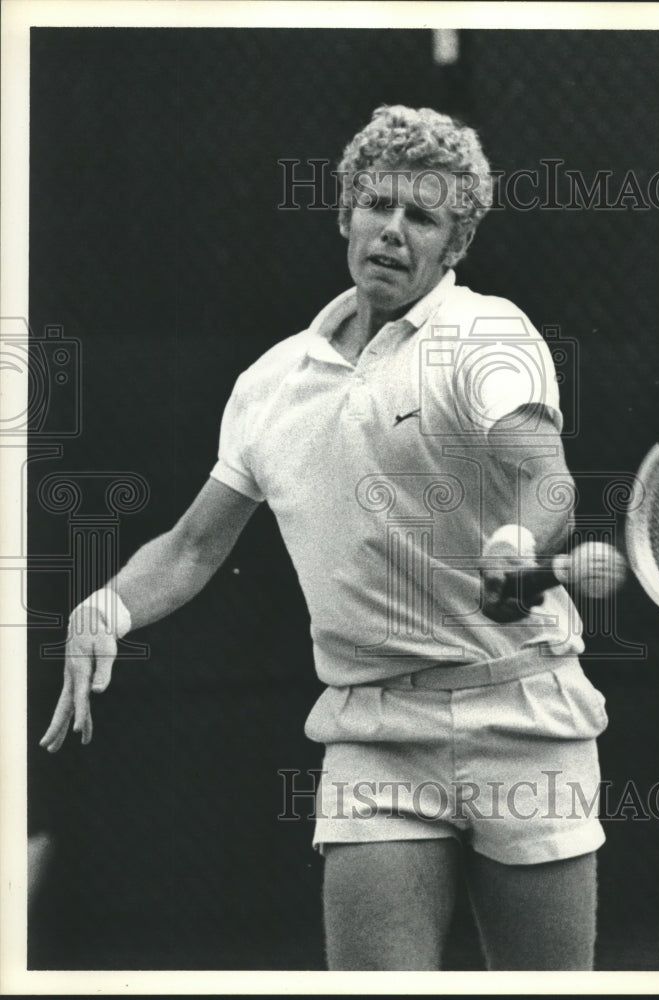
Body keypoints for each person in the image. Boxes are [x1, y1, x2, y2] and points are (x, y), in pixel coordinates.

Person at [40, 105, 612, 971]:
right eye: (377, 204)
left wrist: (517, 545)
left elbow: (547, 481)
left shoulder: (486, 333)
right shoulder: (271, 384)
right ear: (344, 213)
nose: (392, 229)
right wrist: (108, 605)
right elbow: (194, 546)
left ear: (454, 246)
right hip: (374, 726)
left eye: (421, 216)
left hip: (524, 713)